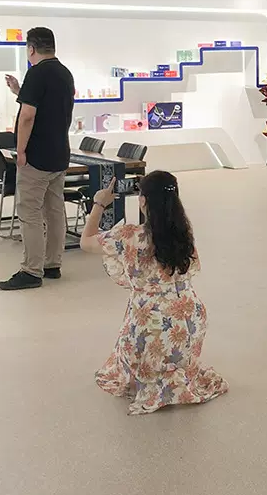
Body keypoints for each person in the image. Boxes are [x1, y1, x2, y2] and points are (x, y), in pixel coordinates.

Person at [82, 171, 227, 415]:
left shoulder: (129, 236)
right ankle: (178, 369)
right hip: (189, 320)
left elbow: (86, 241)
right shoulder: (184, 235)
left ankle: (149, 373)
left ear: (142, 201)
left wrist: (99, 203)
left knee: (133, 337)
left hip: (148, 322)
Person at [0, 27, 75, 291]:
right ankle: (52, 264)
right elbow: (48, 106)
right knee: (54, 210)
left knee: (29, 211)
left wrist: (20, 150)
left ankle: (31, 270)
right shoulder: (64, 73)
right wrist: (19, 91)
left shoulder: (36, 72)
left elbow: (28, 116)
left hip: (37, 155)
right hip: (59, 153)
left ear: (30, 49)